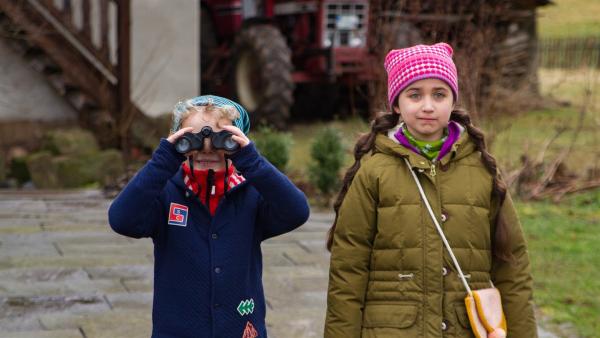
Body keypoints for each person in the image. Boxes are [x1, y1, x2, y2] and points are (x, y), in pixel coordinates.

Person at [324, 43, 537, 337]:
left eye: (439, 94)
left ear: (453, 101)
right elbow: (348, 269)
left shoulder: (482, 170)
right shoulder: (373, 171)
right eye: (415, 94)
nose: (427, 105)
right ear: (397, 104)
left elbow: (512, 265)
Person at [108, 95, 310, 338]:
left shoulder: (251, 194)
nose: (207, 149)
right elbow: (121, 219)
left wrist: (251, 160)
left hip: (242, 329)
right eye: (191, 140)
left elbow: (297, 211)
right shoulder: (166, 193)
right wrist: (163, 161)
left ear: (237, 141)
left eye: (220, 140)